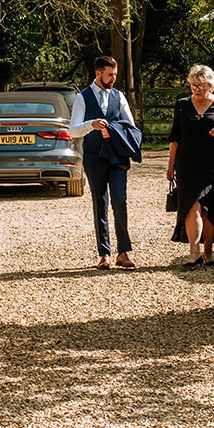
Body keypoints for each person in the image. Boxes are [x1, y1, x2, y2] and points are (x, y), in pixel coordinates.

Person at [166, 64, 214, 269]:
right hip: (187, 164)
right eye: (193, 85)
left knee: (210, 208)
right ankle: (194, 253)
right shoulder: (182, 104)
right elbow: (175, 137)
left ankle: (208, 251)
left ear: (210, 85)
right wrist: (170, 165)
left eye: (200, 85)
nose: (196, 90)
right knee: (193, 206)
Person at [70, 56, 140, 270]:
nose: (113, 79)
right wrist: (91, 124)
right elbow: (73, 130)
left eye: (116, 75)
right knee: (99, 203)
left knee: (119, 200)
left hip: (117, 156)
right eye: (110, 75)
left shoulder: (119, 97)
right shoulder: (83, 98)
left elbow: (130, 126)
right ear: (98, 73)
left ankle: (123, 252)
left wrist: (112, 130)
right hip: (94, 156)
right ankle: (104, 254)